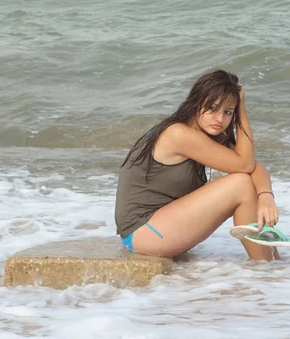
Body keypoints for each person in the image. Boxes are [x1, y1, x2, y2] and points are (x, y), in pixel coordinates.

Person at [115, 69, 280, 261]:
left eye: (228, 112)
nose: (220, 119)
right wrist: (241, 109)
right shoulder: (178, 134)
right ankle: (266, 269)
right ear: (196, 103)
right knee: (242, 184)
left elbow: (253, 166)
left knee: (247, 182)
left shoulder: (207, 135)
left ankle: (272, 265)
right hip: (142, 232)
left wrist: (266, 196)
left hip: (160, 227)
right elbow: (245, 166)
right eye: (212, 108)